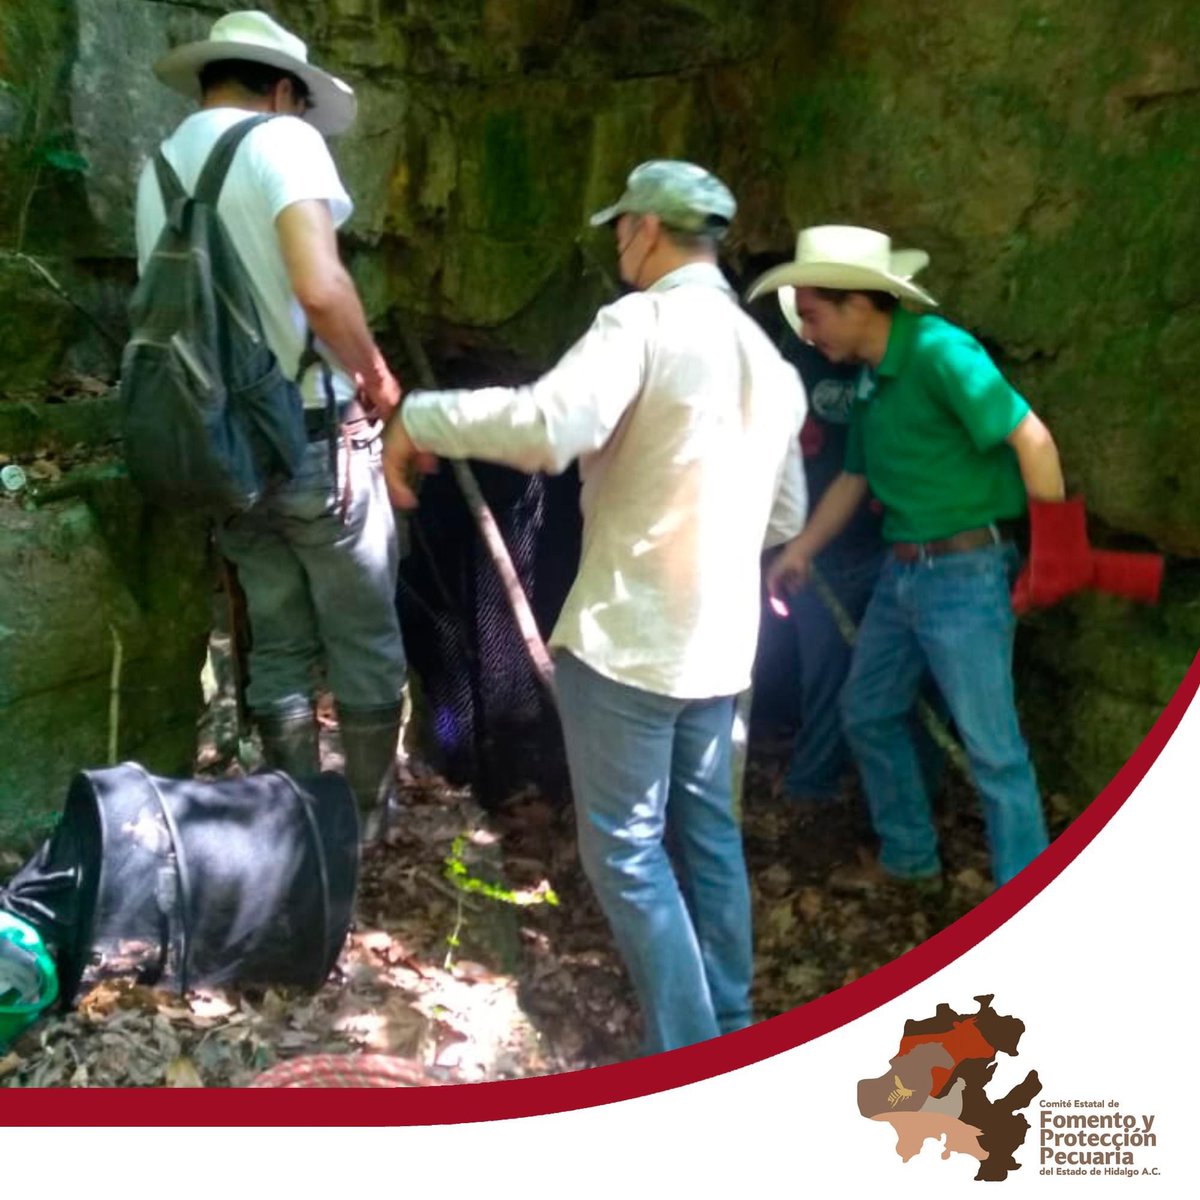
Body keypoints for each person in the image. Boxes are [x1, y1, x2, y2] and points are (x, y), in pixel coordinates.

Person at [381, 161, 808, 1054]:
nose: (617, 241)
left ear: (649, 230)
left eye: (622, 227)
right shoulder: (768, 359)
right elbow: (786, 515)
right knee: (709, 838)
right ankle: (731, 1022)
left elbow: (547, 428)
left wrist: (421, 416)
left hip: (629, 641)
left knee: (625, 853)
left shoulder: (641, 323)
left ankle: (692, 1053)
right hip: (721, 648)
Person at [135, 11, 408, 838]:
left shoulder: (159, 169)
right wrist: (374, 373)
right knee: (362, 631)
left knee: (278, 631)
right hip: (313, 435)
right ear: (284, 89)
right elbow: (320, 288)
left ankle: (298, 818)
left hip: (218, 446)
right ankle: (361, 821)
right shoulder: (282, 141)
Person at [750, 225, 1065, 889]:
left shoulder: (941, 353)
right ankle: (909, 859)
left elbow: (1034, 442)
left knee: (994, 752)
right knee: (867, 709)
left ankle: (1025, 894)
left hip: (966, 572)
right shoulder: (870, 379)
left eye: (812, 314)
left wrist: (1055, 552)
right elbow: (853, 478)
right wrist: (801, 550)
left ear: (859, 304)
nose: (806, 334)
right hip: (905, 571)